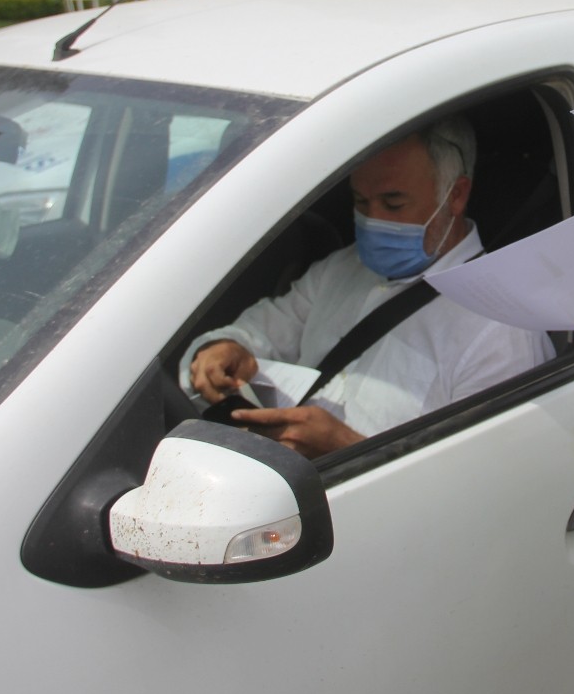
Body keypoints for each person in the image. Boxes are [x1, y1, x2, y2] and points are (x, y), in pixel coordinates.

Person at [183, 118, 552, 458]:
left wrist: (346, 449)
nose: (373, 220)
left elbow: (489, 482)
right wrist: (222, 350)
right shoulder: (342, 268)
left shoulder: (502, 330)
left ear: (455, 195)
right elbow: (262, 329)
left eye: (393, 203)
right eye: (361, 202)